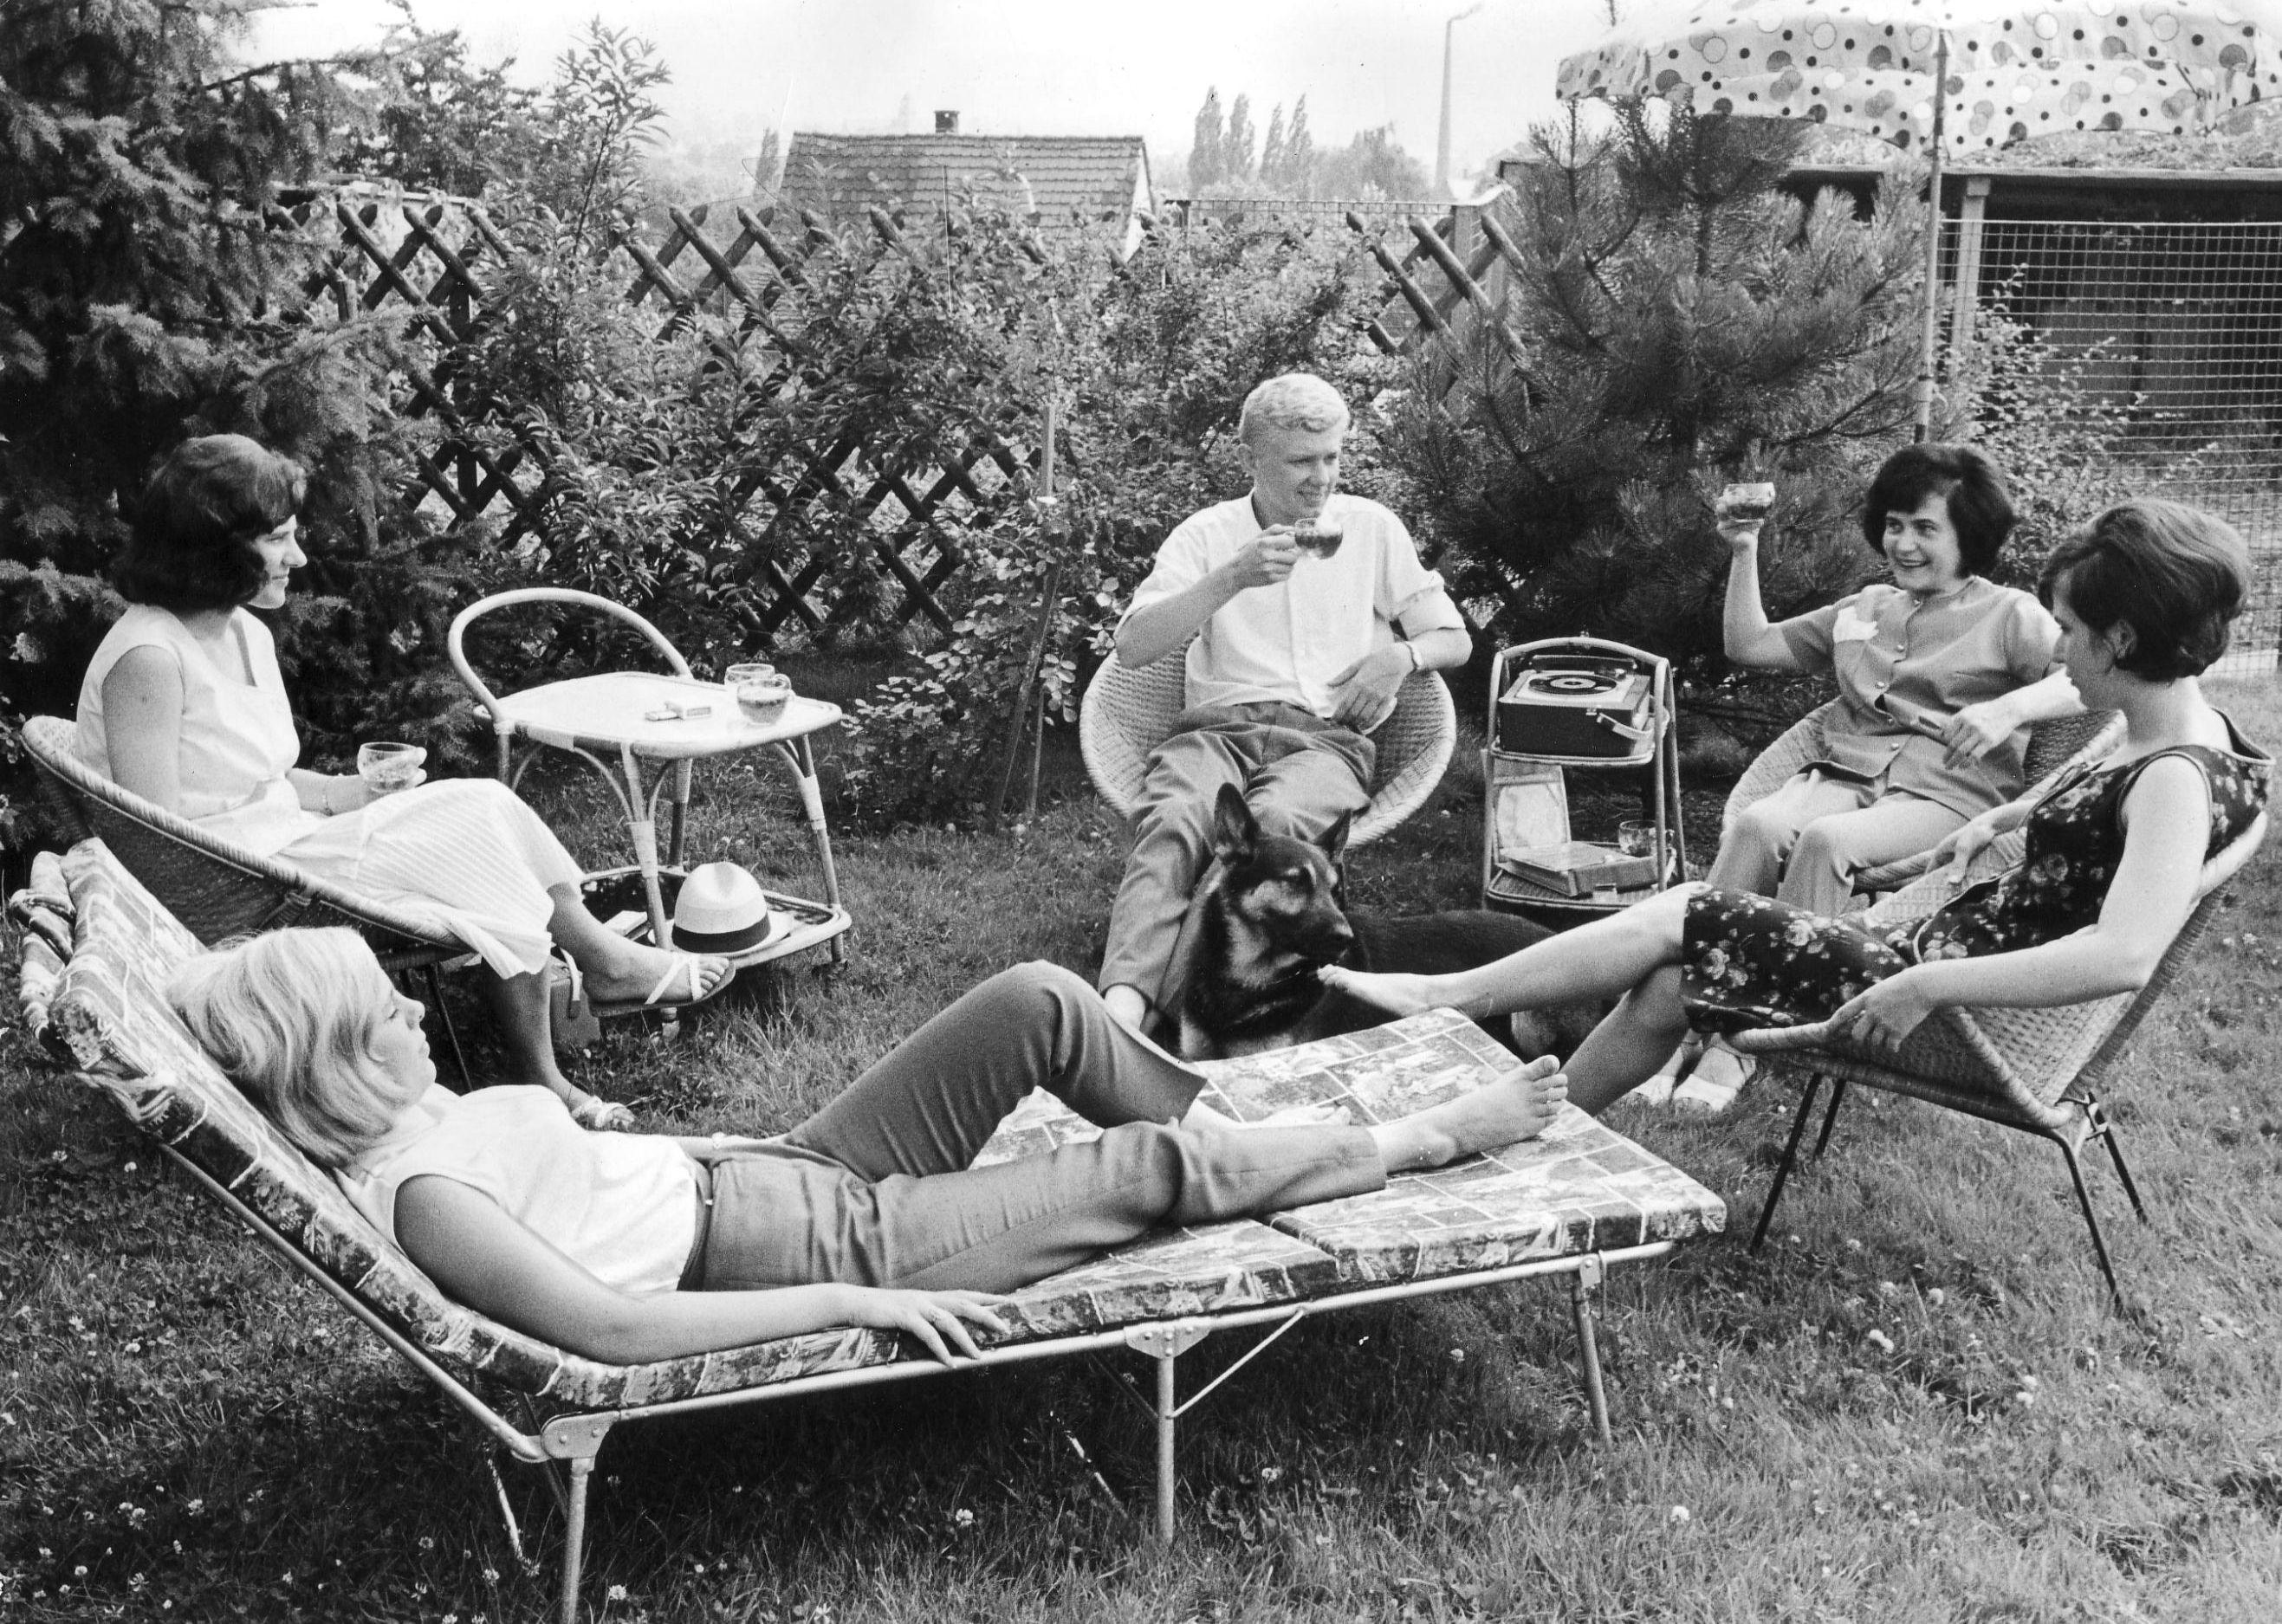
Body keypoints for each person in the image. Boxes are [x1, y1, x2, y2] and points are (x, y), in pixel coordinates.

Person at [167, 933, 1569, 1365]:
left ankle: (1242, 1134)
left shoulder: (417, 1120)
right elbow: (607, 1326)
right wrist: (855, 1298)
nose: (418, 1011)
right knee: (1138, 1173)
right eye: (385, 1011)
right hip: (808, 1244)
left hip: (777, 1169)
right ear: (333, 1058)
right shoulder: (424, 1197)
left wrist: (721, 1141)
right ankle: (1418, 1138)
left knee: (1035, 999)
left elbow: (591, 1179)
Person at [1324, 499, 2268, 1122]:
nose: (2059, 651)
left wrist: (1929, 987)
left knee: (1690, 912)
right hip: (1925, 949)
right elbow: (2094, 814)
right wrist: (2005, 818)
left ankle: (1449, 997)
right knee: (1672, 979)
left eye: (2070, 630)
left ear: (2123, 638)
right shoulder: (2179, 729)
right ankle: (1537, 1125)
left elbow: (2122, 955)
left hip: (1937, 991)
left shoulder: (2174, 778)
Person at [76, 434, 733, 1129]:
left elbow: (261, 777)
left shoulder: (243, 631)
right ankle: (585, 1004)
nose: (298, 557)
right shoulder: (149, 656)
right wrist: (307, 850)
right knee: (471, 826)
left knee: (486, 806)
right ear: (214, 546)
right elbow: (156, 839)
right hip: (242, 883)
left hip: (290, 845)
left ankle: (587, 990)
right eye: (278, 539)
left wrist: (352, 794)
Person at [1677, 443, 2084, 1113]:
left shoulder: (2010, 613)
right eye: (1895, 524)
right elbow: (1749, 644)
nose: (1904, 543)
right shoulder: (1865, 606)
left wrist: (2008, 709)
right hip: (1844, 772)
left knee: (1828, 841)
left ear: (1969, 535)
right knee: (1757, 824)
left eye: (1926, 528)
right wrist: (1744, 550)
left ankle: (1749, 1040)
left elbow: (2084, 680)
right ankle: (1686, 1019)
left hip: (1947, 792)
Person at [1099, 373, 1471, 1038]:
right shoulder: (1208, 535)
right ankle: (1119, 1018)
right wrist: (1231, 577)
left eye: (1332, 456)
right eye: (1302, 461)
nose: (1321, 478)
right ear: (1251, 458)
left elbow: (1454, 637)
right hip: (1215, 732)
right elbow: (1133, 646)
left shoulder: (1370, 528)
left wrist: (1400, 657)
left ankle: (1172, 1022)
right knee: (1177, 823)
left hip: (1324, 741)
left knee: (1274, 833)